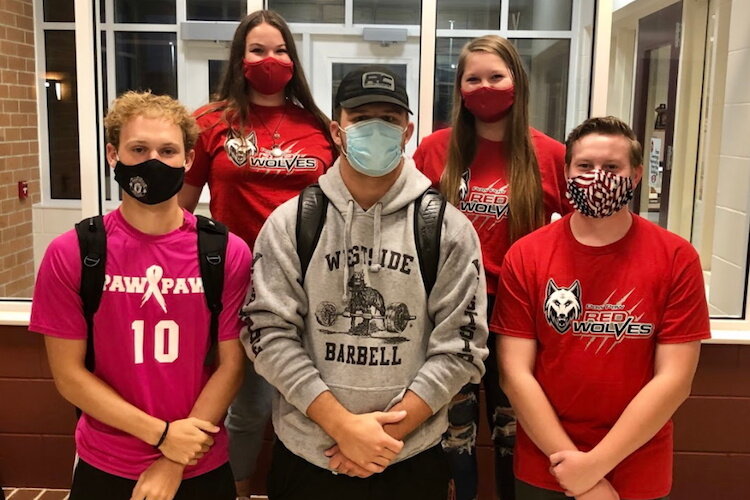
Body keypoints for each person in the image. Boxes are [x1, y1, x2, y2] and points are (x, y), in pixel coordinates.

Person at [242, 65, 489, 499]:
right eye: (361, 119)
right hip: (309, 456)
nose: (375, 129)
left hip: (410, 458)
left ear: (407, 130)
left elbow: (462, 347)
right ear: (337, 131)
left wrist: (382, 438)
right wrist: (343, 428)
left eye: (389, 120)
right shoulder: (291, 224)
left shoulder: (447, 229)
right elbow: (266, 334)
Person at [29, 91, 252, 500]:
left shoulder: (226, 252)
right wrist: (162, 436)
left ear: (188, 160)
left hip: (199, 458)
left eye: (168, 150)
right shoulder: (73, 252)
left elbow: (231, 367)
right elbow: (69, 375)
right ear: (113, 155)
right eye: (138, 148)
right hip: (106, 460)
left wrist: (174, 459)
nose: (154, 160)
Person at [493, 116, 710, 500]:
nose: (597, 177)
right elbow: (514, 374)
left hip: (638, 465)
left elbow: (674, 381)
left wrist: (594, 467)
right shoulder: (526, 255)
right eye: (585, 167)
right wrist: (575, 470)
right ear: (565, 172)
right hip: (546, 463)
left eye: (612, 167)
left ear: (637, 175)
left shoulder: (677, 257)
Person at [177, 10, 336, 499]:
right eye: (258, 50)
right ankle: (237, 490)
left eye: (280, 49)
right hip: (234, 286)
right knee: (245, 408)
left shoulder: (320, 126)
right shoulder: (209, 123)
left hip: (310, 285)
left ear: (294, 58)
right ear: (239, 58)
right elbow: (179, 210)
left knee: (313, 400)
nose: (271, 59)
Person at [413, 34, 570, 500]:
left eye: (496, 77)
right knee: (452, 433)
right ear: (459, 88)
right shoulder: (434, 151)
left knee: (513, 433)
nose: (485, 87)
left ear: (516, 83)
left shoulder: (551, 155)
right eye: (473, 79)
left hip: (518, 317)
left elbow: (580, 233)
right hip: (447, 311)